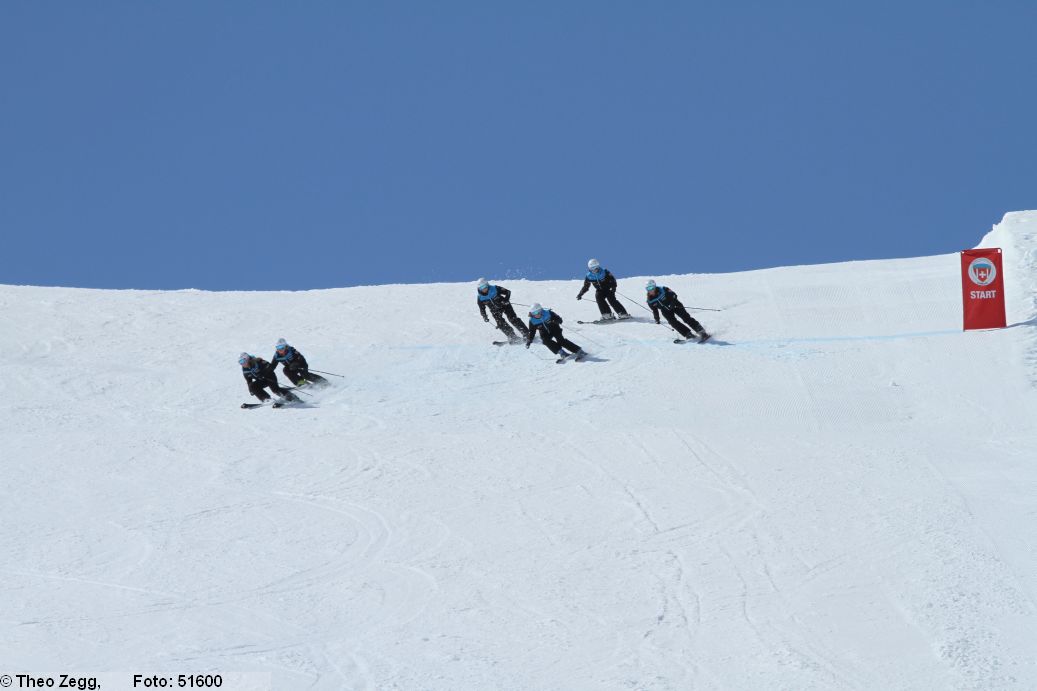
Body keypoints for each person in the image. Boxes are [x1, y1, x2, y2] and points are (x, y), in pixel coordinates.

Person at [645, 280, 711, 342]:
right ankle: (688, 334)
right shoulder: (650, 300)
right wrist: (657, 319)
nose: (650, 290)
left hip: (675, 305)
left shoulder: (663, 289)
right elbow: (654, 310)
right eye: (648, 288)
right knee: (672, 322)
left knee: (685, 317)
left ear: (655, 286)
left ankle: (702, 332)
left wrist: (672, 303)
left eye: (651, 287)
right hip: (665, 311)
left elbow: (674, 295)